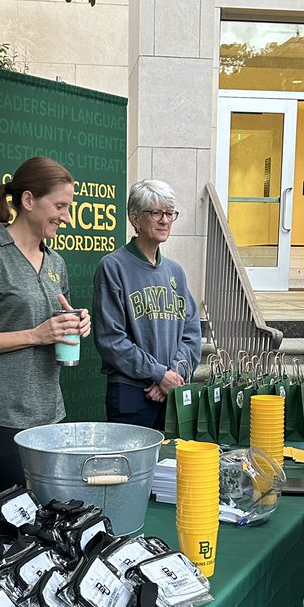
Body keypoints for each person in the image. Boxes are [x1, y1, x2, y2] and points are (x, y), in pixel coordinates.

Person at [0, 157, 90, 493]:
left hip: (50, 411)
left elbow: (55, 321)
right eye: (59, 206)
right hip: (1, 415)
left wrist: (75, 322)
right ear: (28, 200)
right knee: (17, 514)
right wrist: (35, 335)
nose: (66, 217)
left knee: (52, 513)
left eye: (68, 207)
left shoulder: (56, 262)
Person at [92, 179, 201, 429]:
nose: (165, 220)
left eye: (169, 213)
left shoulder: (175, 272)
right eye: (156, 213)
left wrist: (173, 375)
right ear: (135, 218)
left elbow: (192, 333)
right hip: (131, 394)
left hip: (172, 394)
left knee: (173, 455)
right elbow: (111, 340)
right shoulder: (113, 267)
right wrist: (159, 374)